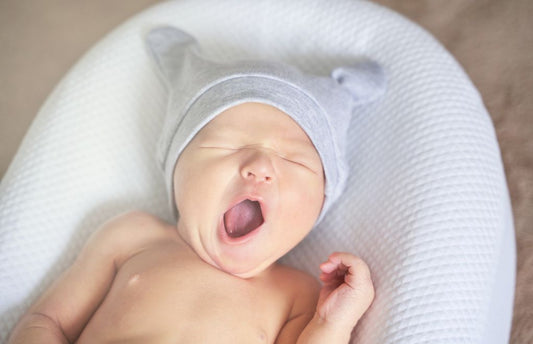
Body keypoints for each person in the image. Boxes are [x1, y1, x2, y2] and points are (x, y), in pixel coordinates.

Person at [8, 26, 386, 344]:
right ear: (177, 167)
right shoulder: (132, 238)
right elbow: (46, 322)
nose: (259, 166)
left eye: (295, 159)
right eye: (228, 145)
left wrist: (333, 324)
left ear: (323, 199)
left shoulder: (298, 295)